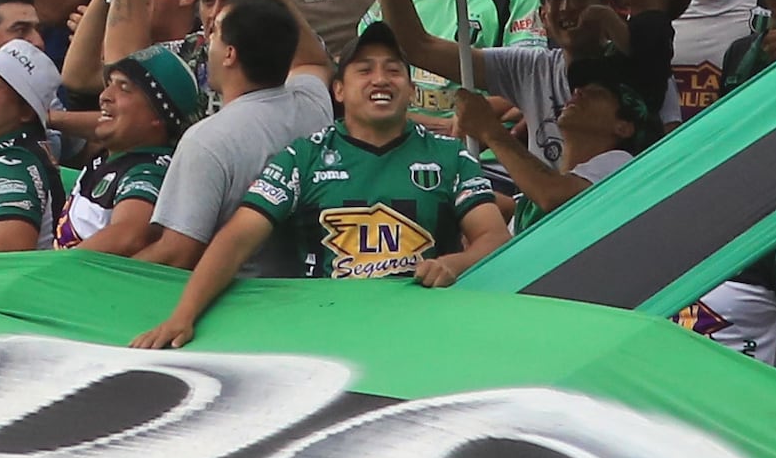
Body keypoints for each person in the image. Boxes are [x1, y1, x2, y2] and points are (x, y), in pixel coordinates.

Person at [132, 17, 504, 345]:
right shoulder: (303, 156)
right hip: (324, 334)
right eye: (364, 70)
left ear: (410, 90)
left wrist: (457, 263)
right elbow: (235, 240)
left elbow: (495, 237)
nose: (380, 79)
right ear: (338, 91)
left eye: (393, 70)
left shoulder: (450, 156)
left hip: (424, 333)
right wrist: (183, 316)